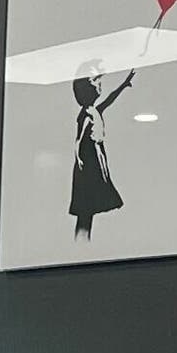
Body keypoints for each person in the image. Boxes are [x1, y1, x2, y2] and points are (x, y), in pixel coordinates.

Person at [67, 64, 134, 240]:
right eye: (96, 80)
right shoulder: (86, 114)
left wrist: (124, 84)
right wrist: (79, 157)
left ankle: (83, 244)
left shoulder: (95, 110)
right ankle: (81, 244)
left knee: (88, 208)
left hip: (96, 157)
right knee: (85, 209)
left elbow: (110, 99)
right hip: (88, 161)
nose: (100, 84)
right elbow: (79, 138)